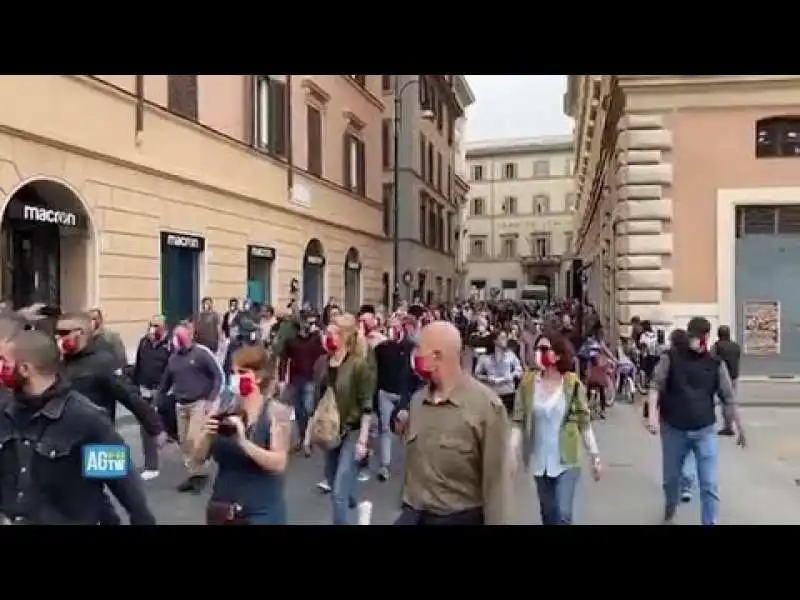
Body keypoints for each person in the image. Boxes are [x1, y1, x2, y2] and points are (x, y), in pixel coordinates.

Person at [0, 329, 156, 524]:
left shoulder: (85, 419)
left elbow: (126, 489)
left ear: (25, 369)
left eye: (4, 361)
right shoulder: (5, 411)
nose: (1, 367)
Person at [392, 321, 512, 525]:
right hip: (414, 514)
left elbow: (497, 486)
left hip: (458, 517)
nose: (415, 356)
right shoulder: (418, 400)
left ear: (437, 356)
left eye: (420, 349)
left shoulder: (485, 407)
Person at [645, 316, 747, 525]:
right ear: (689, 336)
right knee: (671, 480)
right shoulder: (670, 358)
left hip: (704, 430)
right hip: (674, 429)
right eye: (694, 337)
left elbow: (728, 397)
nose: (698, 342)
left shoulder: (715, 364)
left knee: (709, 483)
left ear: (707, 337)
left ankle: (709, 522)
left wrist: (740, 427)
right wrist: (653, 417)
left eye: (702, 337)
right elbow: (655, 386)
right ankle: (671, 507)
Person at [511, 330, 602, 525]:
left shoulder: (572, 384)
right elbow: (518, 420)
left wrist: (595, 457)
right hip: (539, 462)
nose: (539, 353)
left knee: (563, 513)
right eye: (537, 349)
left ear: (558, 354)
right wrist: (512, 453)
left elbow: (584, 422)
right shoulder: (528, 383)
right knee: (548, 513)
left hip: (567, 461)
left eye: (544, 349)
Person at [192, 345, 291, 525]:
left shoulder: (275, 412)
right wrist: (206, 434)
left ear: (259, 377)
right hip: (223, 508)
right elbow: (197, 458)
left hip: (261, 511)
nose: (236, 378)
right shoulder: (224, 407)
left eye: (242, 372)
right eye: (233, 372)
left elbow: (279, 463)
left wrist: (243, 442)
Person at [304, 313, 375, 525]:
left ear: (345, 337)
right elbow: (317, 403)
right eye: (327, 332)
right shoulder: (321, 364)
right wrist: (308, 434)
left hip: (351, 432)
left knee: (338, 494)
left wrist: (363, 440)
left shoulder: (358, 365)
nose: (327, 337)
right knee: (338, 485)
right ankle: (359, 506)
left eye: (333, 333)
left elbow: (367, 406)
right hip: (329, 432)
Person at [157, 322, 224, 494]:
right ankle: (194, 475)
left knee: (195, 440)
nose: (176, 341)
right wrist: (158, 400)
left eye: (179, 337)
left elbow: (218, 376)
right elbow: (165, 383)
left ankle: (200, 475)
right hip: (181, 405)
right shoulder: (173, 359)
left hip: (199, 403)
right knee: (185, 443)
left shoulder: (201, 354)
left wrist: (211, 399)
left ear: (187, 337)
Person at [373, 315, 417, 481]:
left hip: (405, 395)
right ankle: (385, 465)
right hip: (385, 393)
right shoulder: (381, 348)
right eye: (390, 328)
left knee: (407, 431)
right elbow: (375, 371)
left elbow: (415, 372)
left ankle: (411, 466)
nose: (393, 331)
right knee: (385, 429)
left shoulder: (411, 347)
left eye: (397, 328)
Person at [131, 315, 172, 480]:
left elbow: (172, 369)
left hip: (164, 393)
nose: (153, 329)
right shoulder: (144, 342)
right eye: (151, 325)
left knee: (172, 427)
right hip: (145, 390)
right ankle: (151, 465)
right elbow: (138, 364)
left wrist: (164, 390)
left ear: (164, 327)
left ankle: (194, 458)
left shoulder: (170, 345)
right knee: (146, 426)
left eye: (157, 326)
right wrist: (135, 385)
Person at [279, 310, 324, 451]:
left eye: (313, 322)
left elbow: (324, 356)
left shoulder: (316, 339)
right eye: (308, 322)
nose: (311, 325)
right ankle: (302, 435)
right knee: (299, 410)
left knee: (309, 408)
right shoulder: (291, 340)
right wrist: (281, 379)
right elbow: (284, 359)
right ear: (301, 323)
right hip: (295, 378)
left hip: (311, 378)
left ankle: (306, 440)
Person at [474, 330, 522, 416]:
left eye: (506, 338)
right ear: (495, 341)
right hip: (492, 393)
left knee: (506, 419)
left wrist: (511, 375)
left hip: (508, 392)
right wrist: (488, 378)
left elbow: (519, 370)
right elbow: (477, 374)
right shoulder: (484, 358)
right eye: (502, 338)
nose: (505, 341)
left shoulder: (511, 355)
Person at [712, 325, 741, 437]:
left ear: (719, 334)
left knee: (724, 402)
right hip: (734, 376)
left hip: (722, 377)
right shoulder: (736, 346)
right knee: (731, 400)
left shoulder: (717, 346)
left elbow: (712, 359)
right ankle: (730, 425)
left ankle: (727, 427)